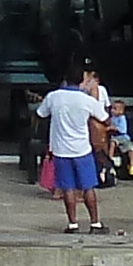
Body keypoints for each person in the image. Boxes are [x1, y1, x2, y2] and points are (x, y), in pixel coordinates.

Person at [35, 65, 115, 235]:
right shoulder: (86, 100)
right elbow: (106, 119)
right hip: (82, 150)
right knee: (88, 187)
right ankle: (95, 224)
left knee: (67, 189)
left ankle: (72, 225)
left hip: (60, 150)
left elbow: (40, 114)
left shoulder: (53, 97)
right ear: (81, 80)